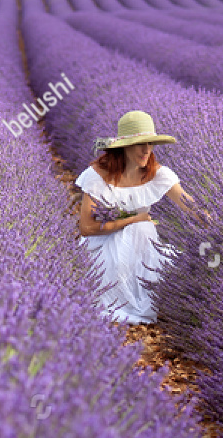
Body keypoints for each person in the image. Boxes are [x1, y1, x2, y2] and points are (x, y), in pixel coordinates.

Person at [76, 110, 199, 327]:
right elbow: (86, 227)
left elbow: (190, 207)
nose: (147, 150)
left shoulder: (158, 173)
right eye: (140, 144)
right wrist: (135, 219)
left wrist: (218, 222)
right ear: (124, 146)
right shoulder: (98, 175)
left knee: (147, 235)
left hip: (142, 246)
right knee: (140, 228)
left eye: (150, 143)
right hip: (103, 244)